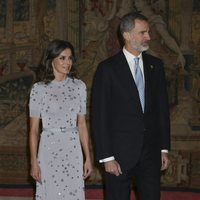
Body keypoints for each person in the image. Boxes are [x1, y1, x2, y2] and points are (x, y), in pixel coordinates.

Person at [92, 12, 170, 200]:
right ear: (127, 35)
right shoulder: (107, 69)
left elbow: (162, 110)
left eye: (148, 32)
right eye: (143, 33)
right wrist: (107, 157)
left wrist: (164, 149)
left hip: (151, 154)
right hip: (118, 156)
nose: (148, 37)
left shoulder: (156, 66)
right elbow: (99, 116)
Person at [29, 39, 92, 200]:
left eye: (70, 58)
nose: (67, 62)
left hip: (72, 148)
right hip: (48, 148)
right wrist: (34, 161)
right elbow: (34, 130)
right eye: (62, 58)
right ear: (51, 60)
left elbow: (82, 125)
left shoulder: (79, 86)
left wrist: (88, 157)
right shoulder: (39, 89)